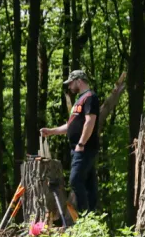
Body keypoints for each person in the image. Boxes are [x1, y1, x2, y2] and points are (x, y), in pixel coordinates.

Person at [40, 69, 100, 215]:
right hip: (78, 148)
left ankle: (85, 217)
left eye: (71, 83)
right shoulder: (79, 100)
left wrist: (81, 143)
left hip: (84, 148)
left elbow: (90, 121)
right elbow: (71, 125)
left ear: (79, 81)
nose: (70, 86)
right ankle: (93, 217)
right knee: (89, 184)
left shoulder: (90, 97)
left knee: (75, 180)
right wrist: (51, 131)